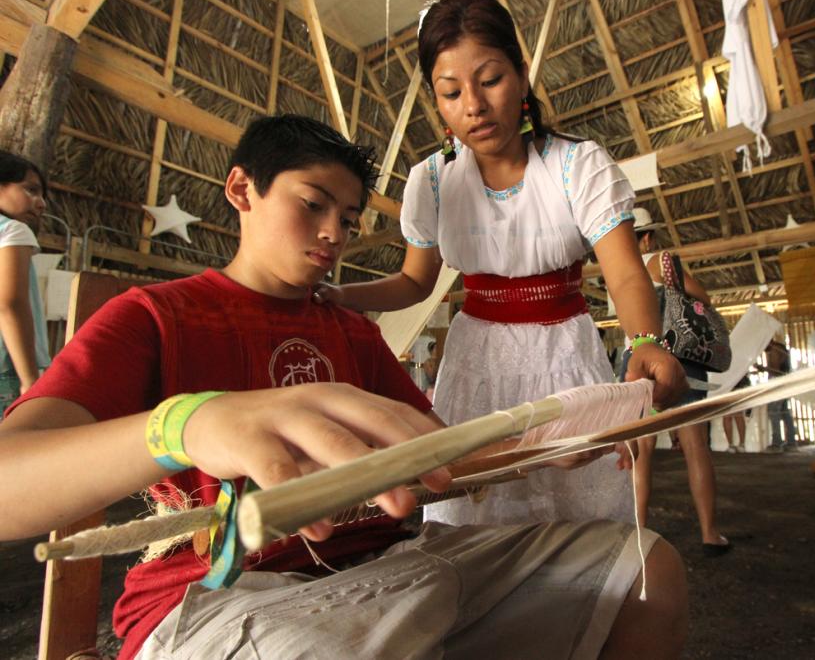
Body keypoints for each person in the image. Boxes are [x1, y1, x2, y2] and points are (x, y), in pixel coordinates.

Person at [0, 115, 688, 659]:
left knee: (641, 571)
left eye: (350, 220)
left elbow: (433, 454)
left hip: (389, 574)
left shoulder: (350, 332)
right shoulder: (156, 316)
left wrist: (541, 443)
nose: (334, 234)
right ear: (243, 190)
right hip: (220, 597)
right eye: (314, 204)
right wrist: (185, 422)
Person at [317, 0, 685, 526]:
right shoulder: (434, 180)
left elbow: (625, 271)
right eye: (451, 91)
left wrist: (647, 341)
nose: (474, 105)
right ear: (437, 101)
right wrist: (343, 296)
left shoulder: (576, 165)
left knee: (575, 516)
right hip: (476, 365)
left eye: (490, 80)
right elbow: (415, 283)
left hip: (564, 356)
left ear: (521, 72)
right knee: (475, 514)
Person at [625, 207, 731, 556]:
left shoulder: (618, 272)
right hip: (678, 360)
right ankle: (709, 533)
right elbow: (703, 297)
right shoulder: (659, 261)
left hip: (636, 363)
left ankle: (638, 531)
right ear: (648, 237)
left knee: (642, 452)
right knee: (695, 447)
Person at [0, 151, 51, 417]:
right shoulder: (11, 231)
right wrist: (30, 380)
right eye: (30, 190)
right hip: (6, 372)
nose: (41, 203)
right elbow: (10, 305)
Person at [763, 339, 798, 450]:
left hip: (777, 384)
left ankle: (777, 442)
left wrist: (762, 368)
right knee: (785, 413)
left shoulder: (774, 350)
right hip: (784, 383)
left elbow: (775, 370)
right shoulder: (781, 348)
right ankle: (791, 441)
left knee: (773, 412)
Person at [723, 374, 752, 453]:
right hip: (726, 385)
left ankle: (742, 443)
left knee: (738, 415)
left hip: (739, 384)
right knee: (727, 416)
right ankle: (731, 444)